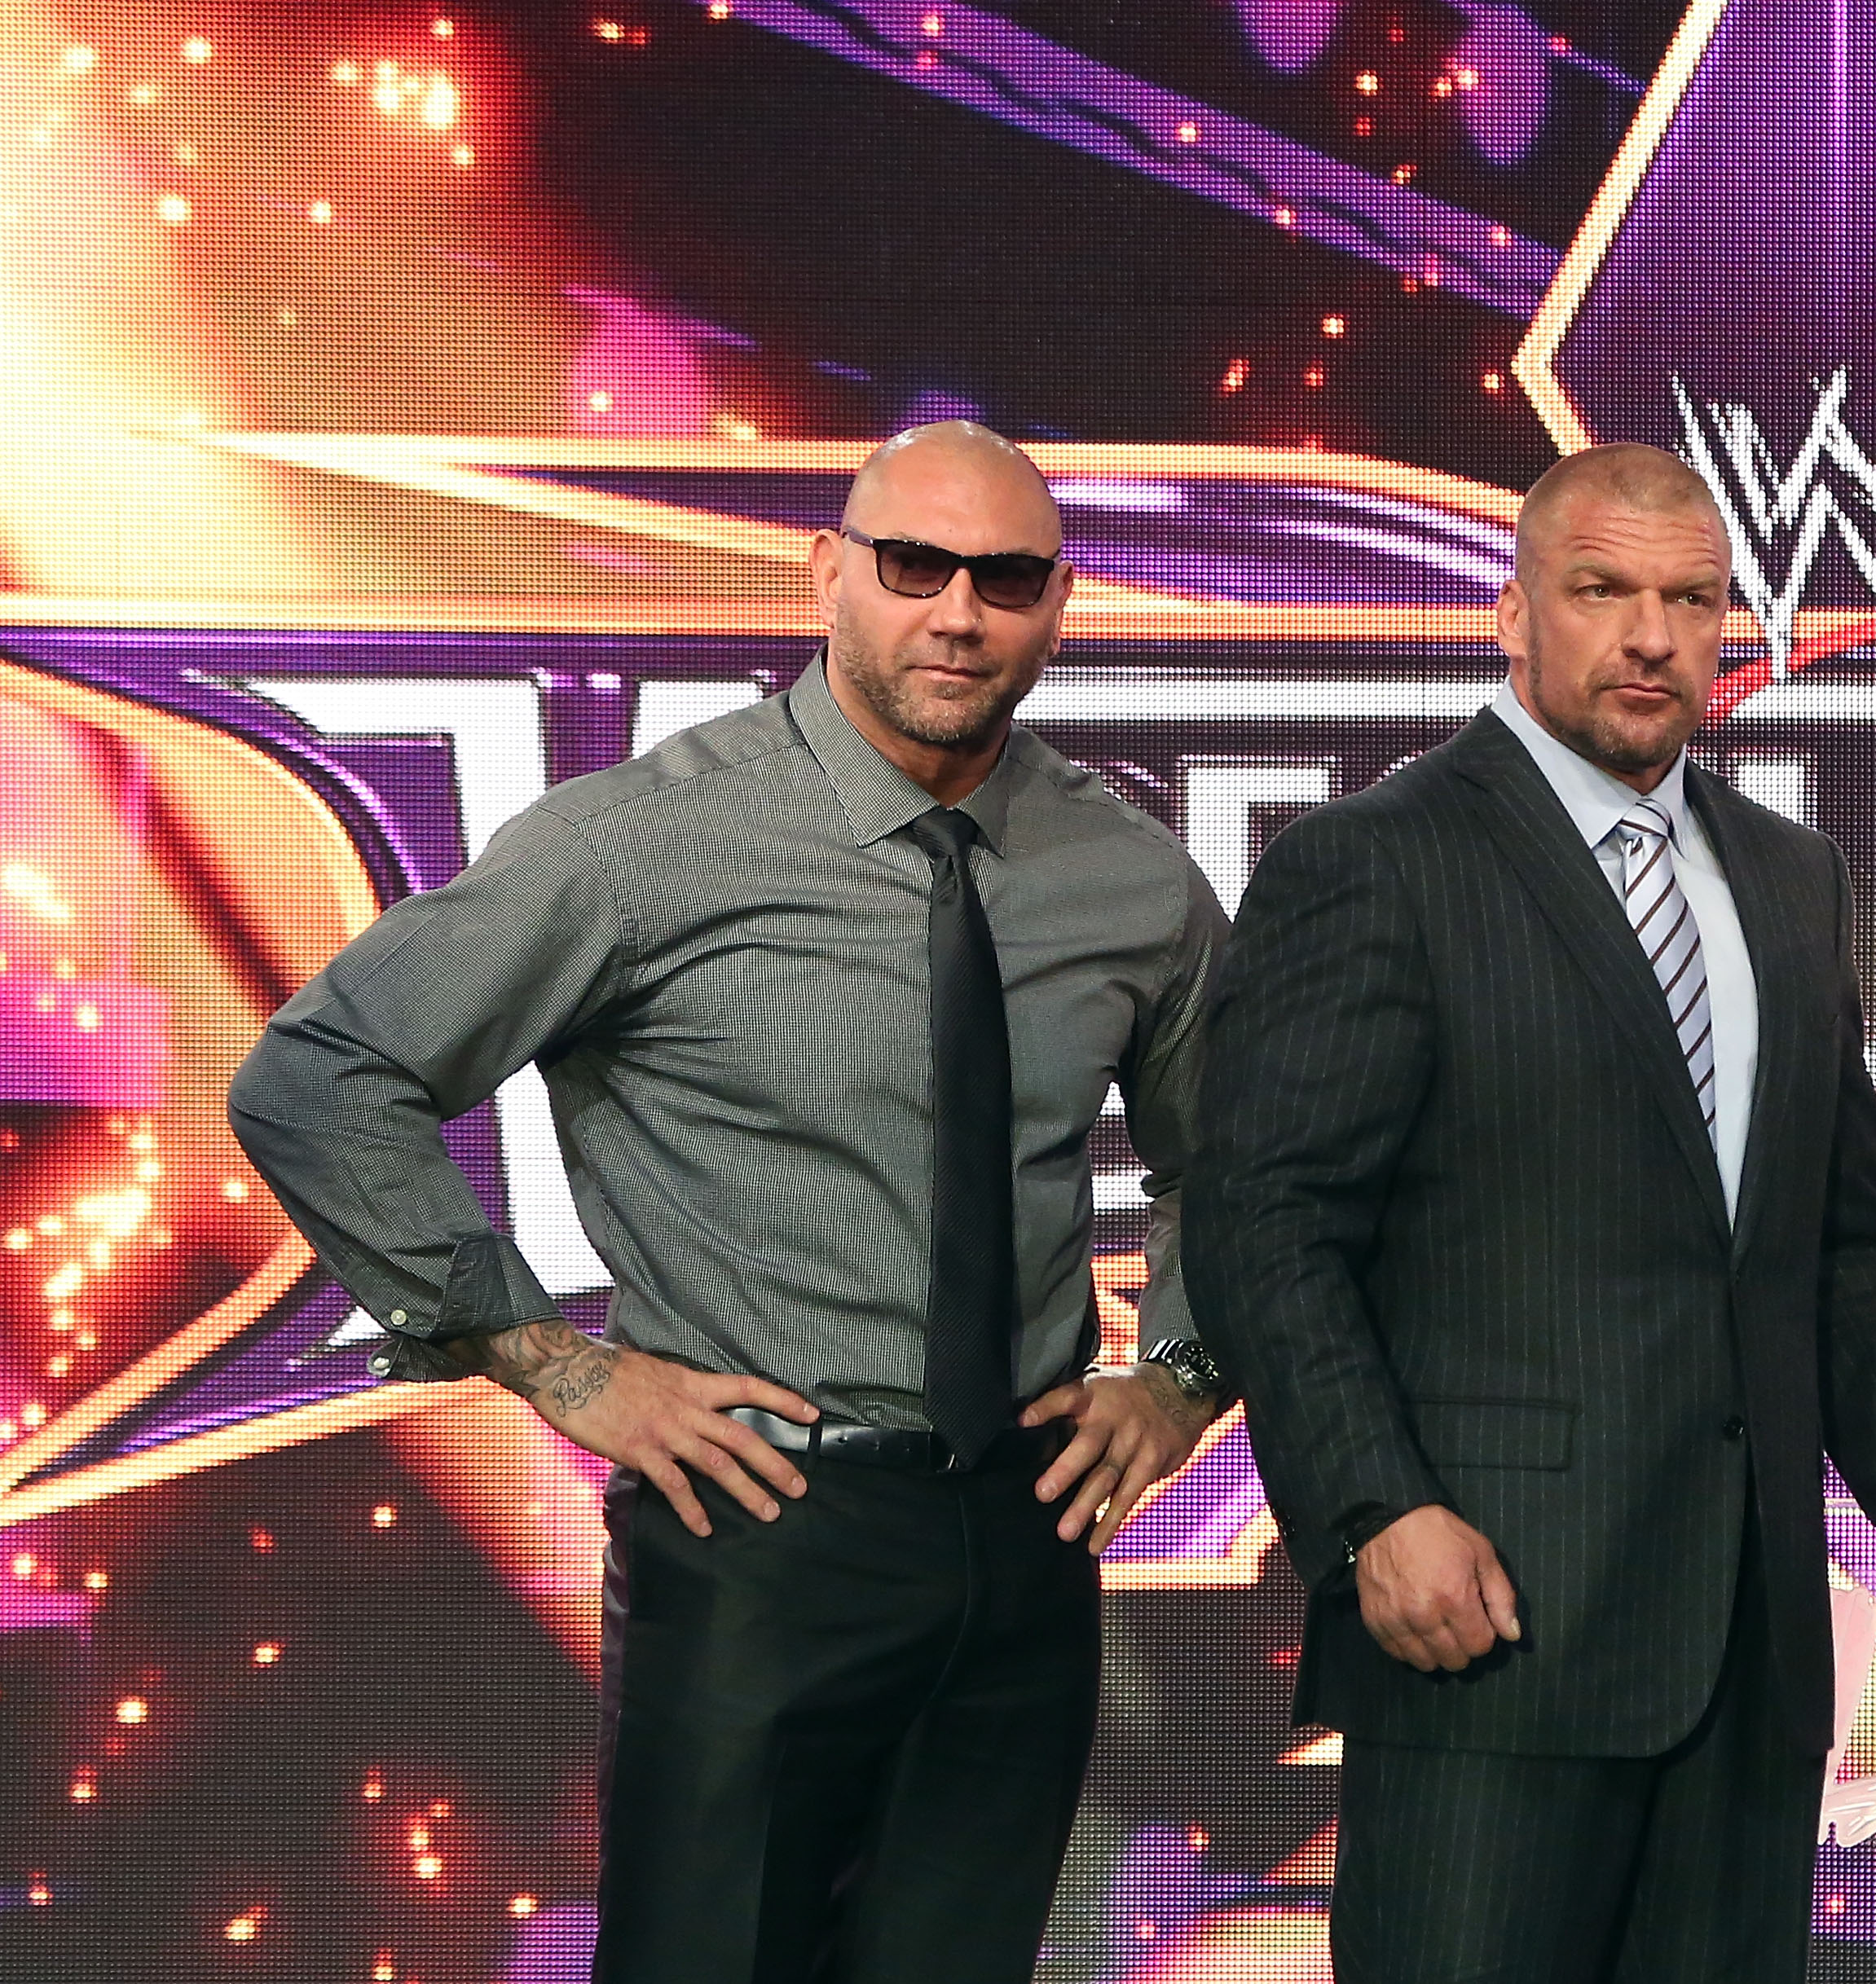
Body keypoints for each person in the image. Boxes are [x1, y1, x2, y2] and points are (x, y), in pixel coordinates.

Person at [227, 420, 1237, 1982]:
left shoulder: (1124, 873)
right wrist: (554, 1362)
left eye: (1007, 577)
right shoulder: (641, 842)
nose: (957, 614)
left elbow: (1231, 1165)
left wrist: (1178, 1376)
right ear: (826, 574)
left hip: (1029, 1543)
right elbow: (322, 1077)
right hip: (758, 1532)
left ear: (1059, 604)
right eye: (913, 568)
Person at [1189, 442, 1876, 1981]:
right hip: (1486, 1624)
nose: (1650, 634)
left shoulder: (1790, 879)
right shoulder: (1373, 860)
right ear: (1514, 615)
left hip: (1749, 1655)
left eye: (1689, 599)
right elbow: (1263, 1223)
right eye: (1603, 591)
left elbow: (1833, 1241)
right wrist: (1372, 1509)